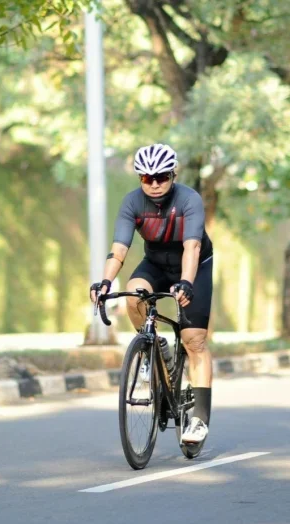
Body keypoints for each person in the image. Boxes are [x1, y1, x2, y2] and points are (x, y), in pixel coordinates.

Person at [90, 143, 214, 444]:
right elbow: (119, 249)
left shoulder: (189, 199)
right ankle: (153, 343)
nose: (155, 184)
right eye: (147, 178)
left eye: (161, 177)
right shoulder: (132, 203)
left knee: (193, 339)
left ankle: (199, 419)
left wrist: (185, 282)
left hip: (194, 265)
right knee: (134, 294)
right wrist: (105, 282)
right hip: (156, 264)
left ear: (173, 175)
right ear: (139, 179)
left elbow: (192, 246)